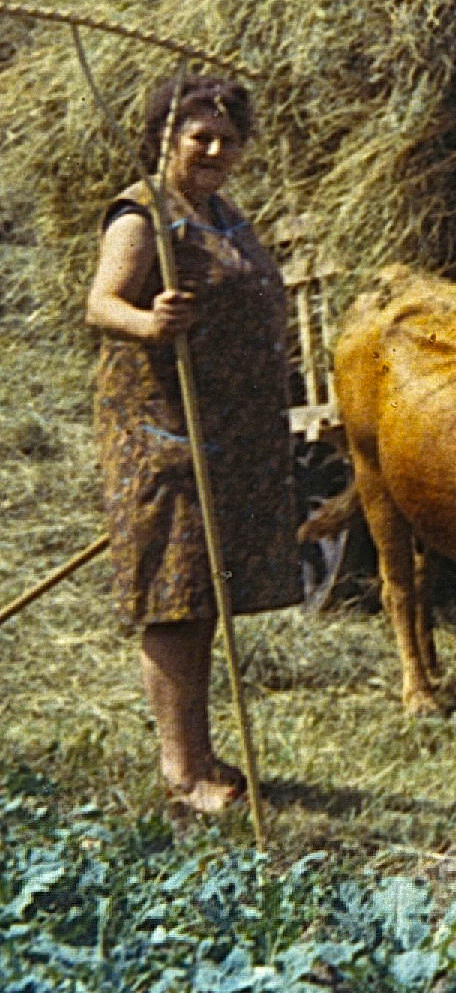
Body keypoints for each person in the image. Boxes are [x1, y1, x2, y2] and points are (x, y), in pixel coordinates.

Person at [86, 75, 300, 813]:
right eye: (199, 137)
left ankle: (200, 751)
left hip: (223, 435)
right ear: (165, 139)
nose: (214, 151)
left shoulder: (223, 215)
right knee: (174, 599)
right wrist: (150, 323)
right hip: (165, 433)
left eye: (227, 140)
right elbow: (102, 302)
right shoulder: (143, 213)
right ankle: (182, 773)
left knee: (203, 593)